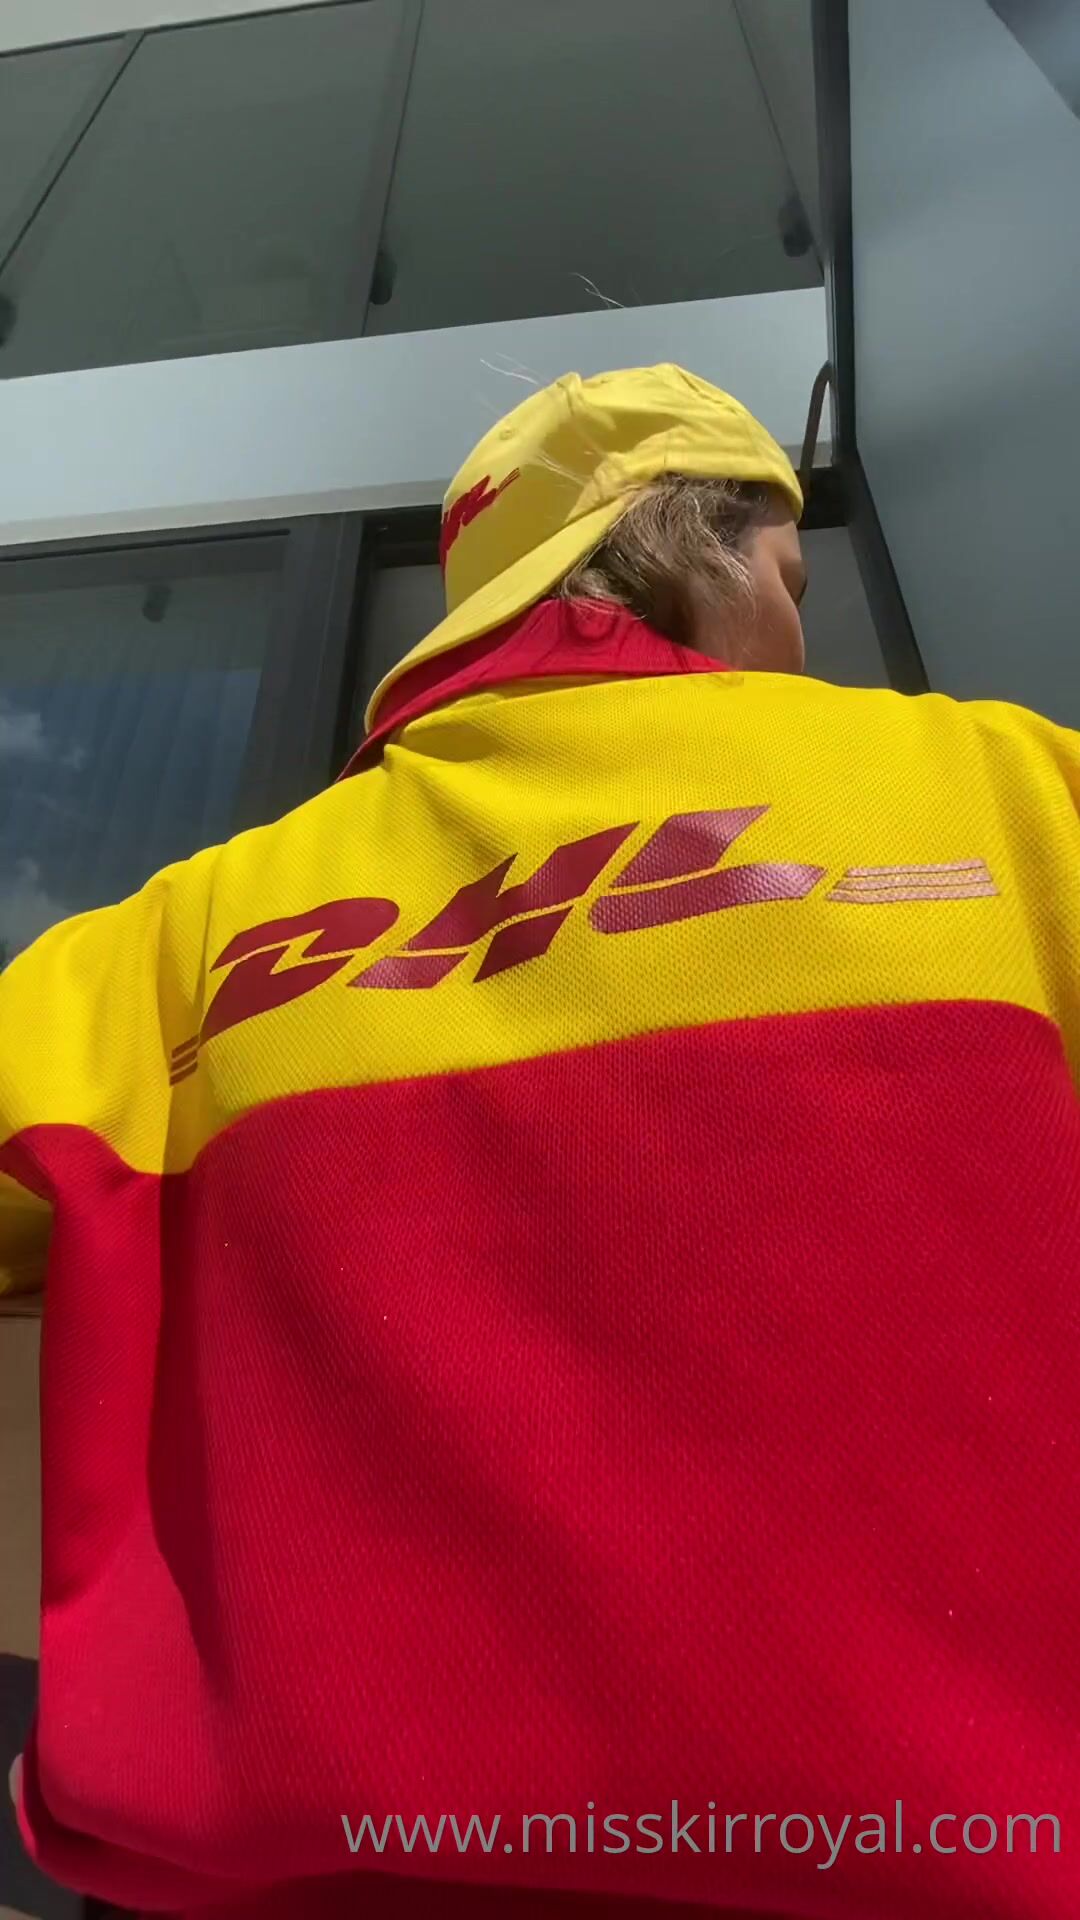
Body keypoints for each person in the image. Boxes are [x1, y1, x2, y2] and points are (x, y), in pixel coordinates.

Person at [2, 363, 1079, 1920]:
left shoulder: (183, 933)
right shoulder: (1010, 793)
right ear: (696, 551)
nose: (800, 636)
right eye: (791, 582)